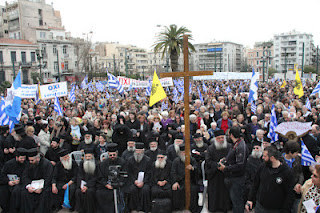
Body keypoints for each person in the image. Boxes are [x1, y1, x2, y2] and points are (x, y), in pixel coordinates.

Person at [246, 146, 295, 213]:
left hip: (276, 209)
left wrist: (285, 210)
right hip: (260, 206)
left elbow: (290, 194)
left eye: (265, 156)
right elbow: (255, 183)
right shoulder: (262, 167)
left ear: (272, 158)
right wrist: (250, 199)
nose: (262, 158)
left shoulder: (286, 172)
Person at [218, 126, 248, 213]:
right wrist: (225, 159)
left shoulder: (241, 146)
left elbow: (240, 165)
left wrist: (226, 168)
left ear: (231, 135)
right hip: (232, 177)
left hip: (237, 178)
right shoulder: (236, 144)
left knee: (237, 200)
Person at [205, 129, 232, 212]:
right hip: (214, 174)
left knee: (225, 192)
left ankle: (225, 208)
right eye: (219, 138)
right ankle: (214, 208)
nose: (221, 140)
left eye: (222, 138)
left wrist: (225, 165)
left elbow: (232, 159)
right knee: (214, 192)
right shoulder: (210, 148)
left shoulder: (229, 147)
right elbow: (208, 161)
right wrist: (217, 165)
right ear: (215, 139)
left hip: (225, 173)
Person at [96, 143, 127, 213]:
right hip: (107, 185)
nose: (112, 156)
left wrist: (118, 184)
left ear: (117, 154)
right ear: (108, 154)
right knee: (100, 193)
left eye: (114, 155)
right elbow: (100, 177)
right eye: (110, 155)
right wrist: (106, 184)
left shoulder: (122, 162)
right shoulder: (103, 164)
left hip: (119, 185)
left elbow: (125, 175)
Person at [21, 148, 53, 213]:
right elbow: (25, 176)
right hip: (32, 185)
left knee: (45, 194)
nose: (30, 162)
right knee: (24, 193)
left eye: (32, 160)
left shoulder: (47, 164)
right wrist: (29, 186)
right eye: (29, 160)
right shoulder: (29, 164)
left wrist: (41, 188)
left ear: (38, 158)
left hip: (44, 186)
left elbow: (48, 178)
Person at [171, 143, 200, 213]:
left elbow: (197, 171)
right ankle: (179, 209)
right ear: (180, 153)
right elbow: (173, 172)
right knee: (177, 189)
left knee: (193, 190)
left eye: (186, 152)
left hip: (191, 181)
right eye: (183, 152)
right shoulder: (176, 161)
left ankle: (192, 209)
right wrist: (175, 182)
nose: (185, 154)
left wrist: (192, 168)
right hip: (180, 181)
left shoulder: (192, 160)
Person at [126, 142, 152, 212]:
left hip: (145, 182)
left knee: (145, 190)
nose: (138, 152)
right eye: (136, 150)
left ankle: (144, 209)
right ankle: (133, 208)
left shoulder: (148, 160)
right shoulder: (130, 159)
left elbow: (149, 173)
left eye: (139, 151)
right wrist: (134, 181)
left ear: (143, 151)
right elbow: (129, 172)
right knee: (132, 189)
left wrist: (143, 182)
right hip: (133, 181)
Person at [0, 148, 27, 213]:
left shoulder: (26, 164)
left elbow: (27, 175)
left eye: (24, 158)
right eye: (21, 158)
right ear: (16, 157)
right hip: (8, 183)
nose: (23, 160)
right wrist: (8, 182)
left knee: (17, 191)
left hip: (20, 184)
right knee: (3, 192)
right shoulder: (9, 164)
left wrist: (20, 180)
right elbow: (2, 175)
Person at [282, 141, 304, 213]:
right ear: (290, 152)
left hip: (295, 192)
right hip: (283, 194)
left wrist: (299, 183)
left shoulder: (297, 159)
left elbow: (300, 173)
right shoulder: (280, 161)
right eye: (296, 152)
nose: (297, 154)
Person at [75, 149, 98, 213]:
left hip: (92, 185)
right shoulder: (82, 163)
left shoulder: (96, 163)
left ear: (92, 157)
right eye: (86, 156)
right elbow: (79, 175)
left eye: (89, 156)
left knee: (89, 192)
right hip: (83, 184)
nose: (88, 158)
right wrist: (82, 186)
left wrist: (87, 186)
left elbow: (96, 177)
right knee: (78, 192)